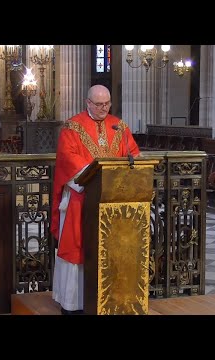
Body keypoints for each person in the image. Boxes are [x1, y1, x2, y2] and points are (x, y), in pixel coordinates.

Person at [51, 84, 141, 315]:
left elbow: (134, 156)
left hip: (113, 202)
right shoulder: (72, 127)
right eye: (99, 104)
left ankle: (110, 299)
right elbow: (67, 159)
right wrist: (94, 181)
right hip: (82, 200)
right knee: (78, 249)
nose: (103, 108)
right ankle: (74, 303)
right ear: (88, 103)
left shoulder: (119, 126)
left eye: (107, 104)